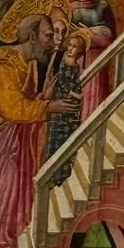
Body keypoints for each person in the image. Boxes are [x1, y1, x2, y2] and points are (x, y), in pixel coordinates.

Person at [0, 14, 51, 248]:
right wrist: (48, 107)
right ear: (32, 36)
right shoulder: (3, 63)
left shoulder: (28, 63)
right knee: (1, 187)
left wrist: (42, 99)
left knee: (13, 183)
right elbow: (11, 108)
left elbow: (25, 102)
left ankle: (6, 237)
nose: (52, 42)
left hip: (11, 140)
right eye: (48, 35)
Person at [39, 23, 89, 184]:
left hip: (71, 109)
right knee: (57, 139)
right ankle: (54, 176)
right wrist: (76, 95)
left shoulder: (74, 64)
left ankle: (62, 176)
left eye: (75, 47)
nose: (70, 49)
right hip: (63, 104)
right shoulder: (66, 63)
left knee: (68, 141)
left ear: (80, 51)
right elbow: (63, 84)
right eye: (70, 46)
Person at [66, 0, 117, 120]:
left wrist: (85, 33)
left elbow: (109, 37)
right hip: (71, 60)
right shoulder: (66, 9)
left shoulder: (102, 7)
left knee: (93, 102)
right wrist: (92, 32)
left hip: (96, 63)